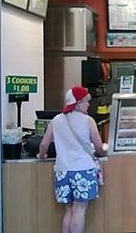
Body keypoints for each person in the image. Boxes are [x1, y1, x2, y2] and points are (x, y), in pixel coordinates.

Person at [38, 86, 104, 233]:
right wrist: (100, 151)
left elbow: (43, 144)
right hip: (83, 170)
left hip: (62, 171)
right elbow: (99, 147)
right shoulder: (88, 121)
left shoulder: (56, 120)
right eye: (86, 102)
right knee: (79, 210)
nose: (88, 105)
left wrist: (42, 156)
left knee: (69, 210)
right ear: (78, 103)